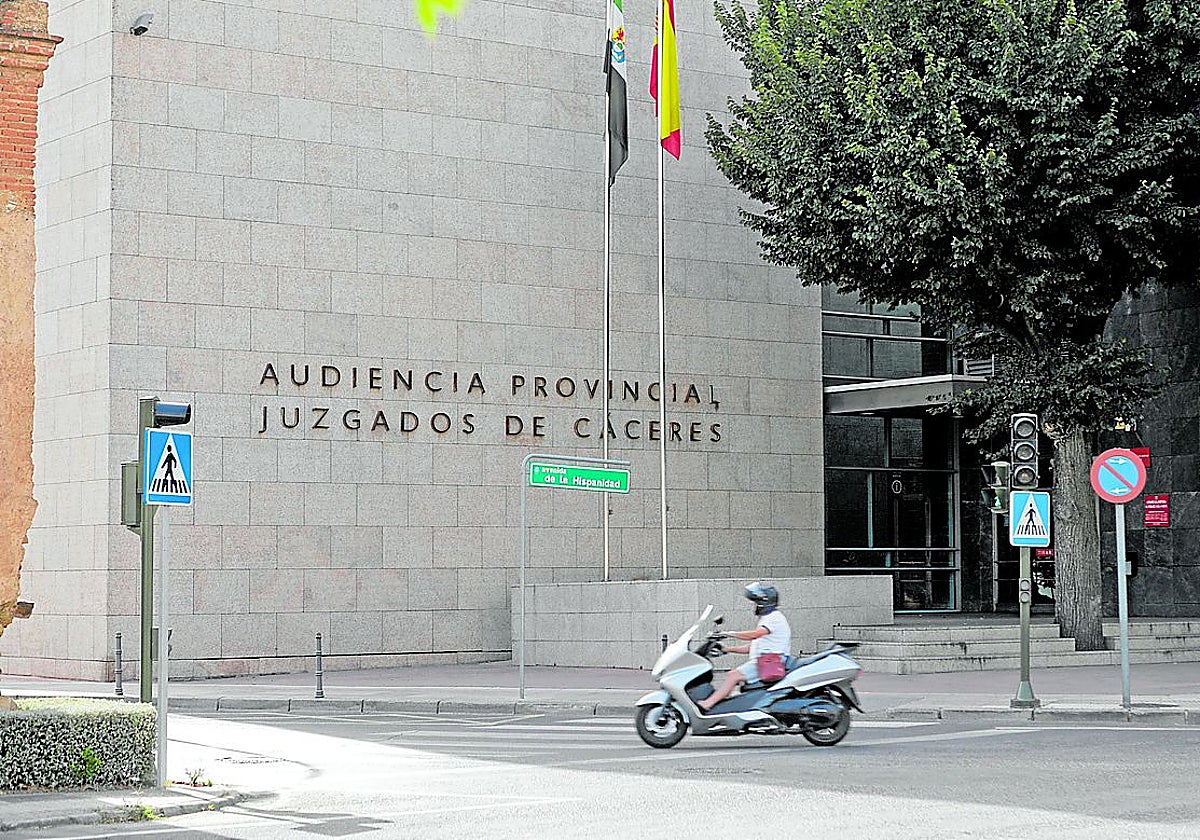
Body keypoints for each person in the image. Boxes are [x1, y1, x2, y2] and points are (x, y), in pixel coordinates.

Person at [698, 582, 791, 713]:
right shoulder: (769, 618)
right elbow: (753, 647)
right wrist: (727, 650)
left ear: (762, 603)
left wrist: (729, 634)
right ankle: (727, 708)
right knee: (737, 679)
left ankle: (707, 704)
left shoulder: (773, 618)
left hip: (771, 661)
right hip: (767, 660)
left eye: (755, 603)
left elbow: (755, 635)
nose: (753, 606)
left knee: (733, 676)